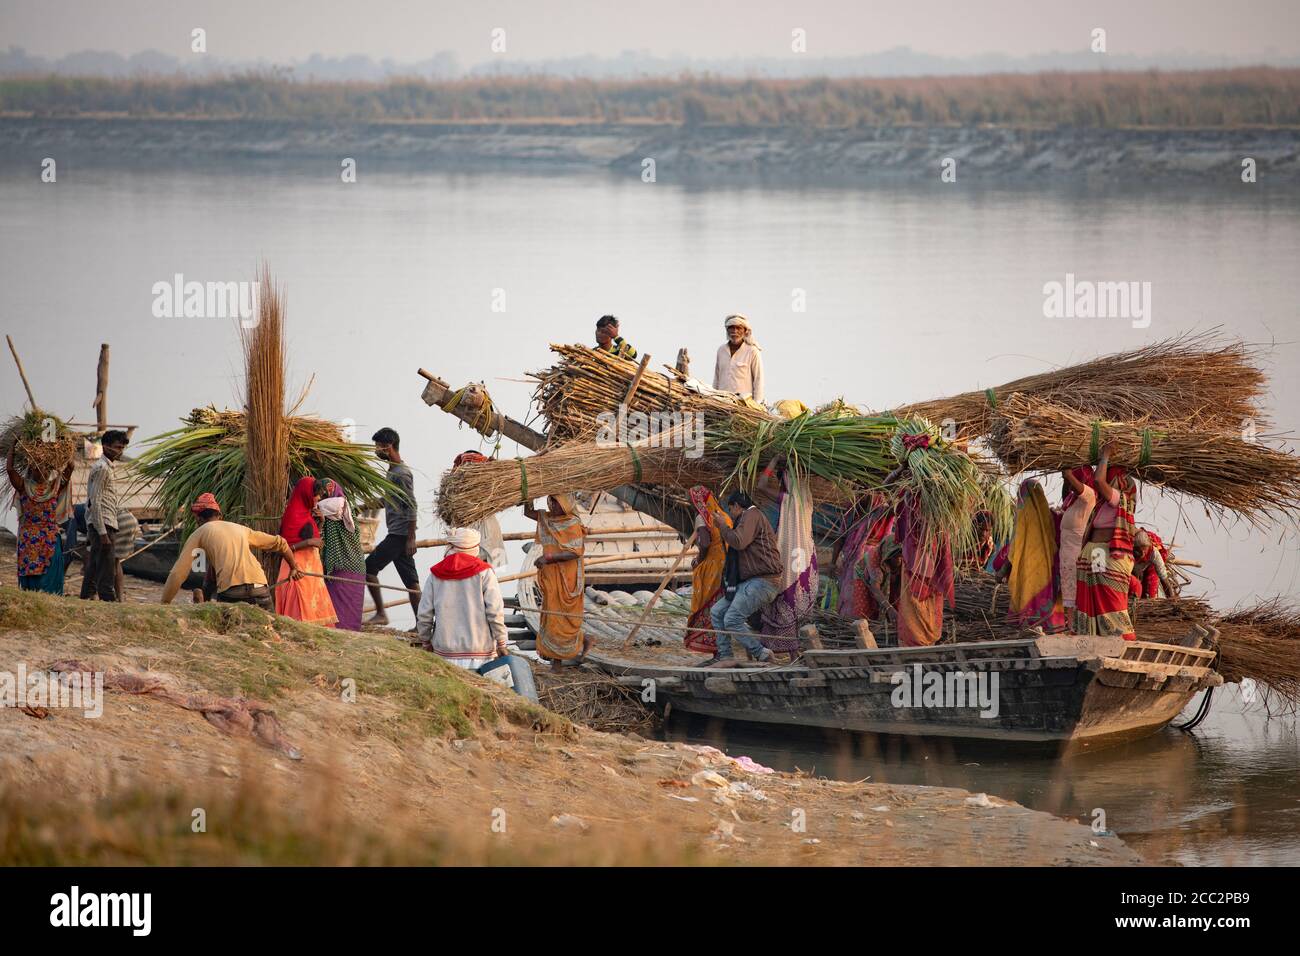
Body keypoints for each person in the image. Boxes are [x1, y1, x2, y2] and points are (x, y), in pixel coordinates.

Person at [161, 493, 300, 608]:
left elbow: (178, 573)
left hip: (232, 592)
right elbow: (280, 542)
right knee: (268, 632)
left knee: (230, 635)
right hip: (260, 589)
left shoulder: (200, 532)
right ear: (219, 516)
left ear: (198, 518)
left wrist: (165, 603)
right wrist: (294, 567)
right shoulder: (240, 528)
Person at [707, 490, 781, 665]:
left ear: (737, 506)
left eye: (731, 510)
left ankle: (762, 653)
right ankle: (726, 656)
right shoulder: (747, 517)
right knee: (717, 612)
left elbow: (738, 541)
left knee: (731, 619)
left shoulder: (751, 515)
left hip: (764, 581)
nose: (730, 515)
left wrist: (722, 526)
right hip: (750, 582)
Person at [1074, 443, 1138, 639]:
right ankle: (1097, 640)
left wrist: (1106, 455)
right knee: (1094, 598)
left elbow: (1098, 480)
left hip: (1112, 555)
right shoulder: (1101, 503)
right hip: (1097, 552)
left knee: (1111, 601)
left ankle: (1126, 641)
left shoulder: (1121, 498)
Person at [758, 467, 819, 659]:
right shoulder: (806, 500)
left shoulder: (787, 499)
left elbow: (760, 485)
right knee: (794, 603)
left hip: (789, 557)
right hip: (805, 559)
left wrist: (773, 462)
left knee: (783, 599)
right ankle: (791, 652)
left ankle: (785, 653)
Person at [524, 494, 592, 666]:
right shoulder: (546, 519)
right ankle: (581, 642)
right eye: (551, 501)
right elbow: (528, 512)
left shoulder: (572, 523)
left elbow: (575, 552)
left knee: (565, 616)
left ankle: (557, 661)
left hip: (568, 579)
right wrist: (528, 495)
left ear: (566, 504)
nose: (553, 506)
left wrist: (548, 558)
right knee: (551, 613)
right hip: (552, 576)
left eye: (557, 502)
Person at [365, 427, 419, 625]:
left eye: (378, 446)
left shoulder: (401, 474)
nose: (376, 450)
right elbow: (390, 499)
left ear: (388, 447)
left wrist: (411, 538)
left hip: (399, 535)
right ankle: (423, 626)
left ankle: (381, 614)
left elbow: (412, 504)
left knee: (369, 568)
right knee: (411, 582)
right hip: (399, 534)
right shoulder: (393, 472)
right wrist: (365, 505)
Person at [998, 479, 1066, 632]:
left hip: (1028, 567)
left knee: (1027, 593)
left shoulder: (1024, 516)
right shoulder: (1050, 517)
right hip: (1047, 566)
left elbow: (1015, 546)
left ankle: (1030, 626)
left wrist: (1003, 570)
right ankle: (1049, 624)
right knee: (1045, 595)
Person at [6, 444, 73, 594]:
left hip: (49, 537)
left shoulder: (55, 486)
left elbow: (71, 467)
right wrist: (14, 445)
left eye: (45, 467)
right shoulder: (23, 485)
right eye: (37, 467)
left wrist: (63, 446)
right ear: (30, 468)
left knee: (49, 576)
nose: (42, 470)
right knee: (31, 576)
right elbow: (10, 470)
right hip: (29, 538)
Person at [274, 476, 337, 626]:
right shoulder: (292, 515)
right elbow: (284, 547)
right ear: (305, 493)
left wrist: (320, 522)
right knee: (300, 606)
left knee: (312, 604)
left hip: (312, 568)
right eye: (315, 494)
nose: (317, 498)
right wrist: (309, 542)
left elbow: (313, 539)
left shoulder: (306, 513)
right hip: (296, 567)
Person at [684, 485, 732, 655]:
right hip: (728, 567)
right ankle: (721, 650)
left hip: (713, 567)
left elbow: (704, 543)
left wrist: (699, 560)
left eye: (691, 501)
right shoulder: (725, 516)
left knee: (709, 606)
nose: (690, 504)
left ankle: (718, 651)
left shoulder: (702, 517)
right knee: (722, 606)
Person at [82, 429, 128, 602]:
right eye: (117, 447)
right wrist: (102, 532)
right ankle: (108, 599)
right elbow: (95, 500)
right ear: (105, 446)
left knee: (95, 564)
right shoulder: (102, 468)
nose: (120, 451)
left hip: (105, 522)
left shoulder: (107, 467)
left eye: (122, 448)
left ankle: (86, 596)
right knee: (106, 566)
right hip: (103, 523)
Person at [318, 479, 366, 631]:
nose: (324, 494)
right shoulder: (328, 512)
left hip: (349, 566)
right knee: (338, 602)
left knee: (350, 603)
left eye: (327, 490)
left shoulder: (338, 506)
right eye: (322, 491)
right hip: (341, 566)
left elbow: (331, 505)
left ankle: (348, 632)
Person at [452, 451, 507, 567]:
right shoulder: (456, 489)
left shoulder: (488, 484)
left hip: (488, 532)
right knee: (471, 569)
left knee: (489, 571)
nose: (470, 469)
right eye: (467, 465)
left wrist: (496, 468)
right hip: (470, 536)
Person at [1058, 466, 1097, 616]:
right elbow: (1068, 489)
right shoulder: (1071, 501)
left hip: (1077, 557)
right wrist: (1065, 477)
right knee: (1070, 599)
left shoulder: (1089, 496)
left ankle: (1078, 629)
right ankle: (1072, 629)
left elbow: (1077, 486)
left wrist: (1068, 474)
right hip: (1067, 558)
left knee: (1078, 599)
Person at [713, 314, 765, 403]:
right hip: (722, 402)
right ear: (727, 330)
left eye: (739, 328)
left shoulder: (752, 351)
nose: (734, 331)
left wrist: (757, 405)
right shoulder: (721, 350)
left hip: (743, 404)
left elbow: (758, 380)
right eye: (731, 328)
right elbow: (717, 378)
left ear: (745, 331)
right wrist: (713, 399)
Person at [1133, 529, 1179, 599]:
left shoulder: (1154, 553)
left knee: (1150, 594)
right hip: (1134, 570)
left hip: (1151, 567)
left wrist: (1171, 599)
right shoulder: (1128, 553)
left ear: (1148, 547)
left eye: (1144, 550)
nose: (1142, 553)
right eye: (1139, 550)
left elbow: (1164, 580)